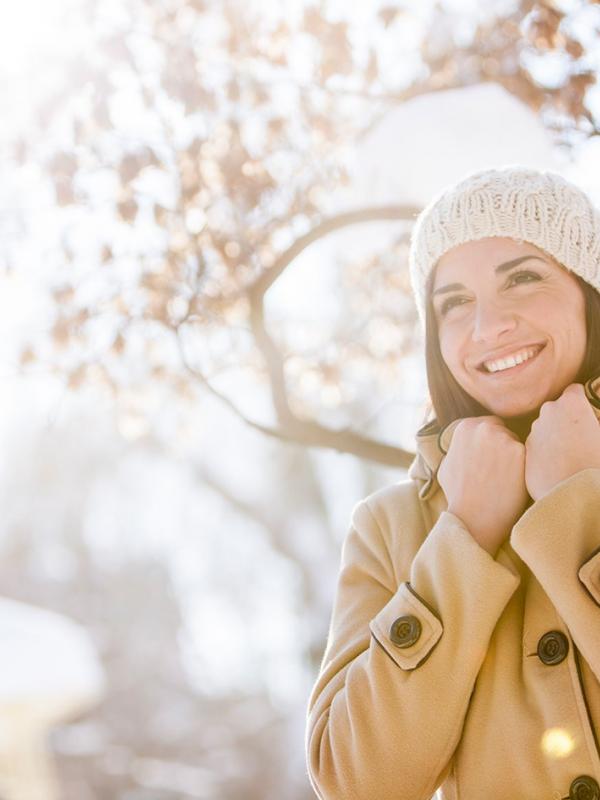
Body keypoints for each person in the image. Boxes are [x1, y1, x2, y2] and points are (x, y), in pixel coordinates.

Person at [304, 165, 600, 800]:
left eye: (523, 277)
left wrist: (580, 504)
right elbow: (357, 782)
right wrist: (462, 538)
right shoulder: (390, 529)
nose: (488, 327)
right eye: (454, 302)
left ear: (588, 292)